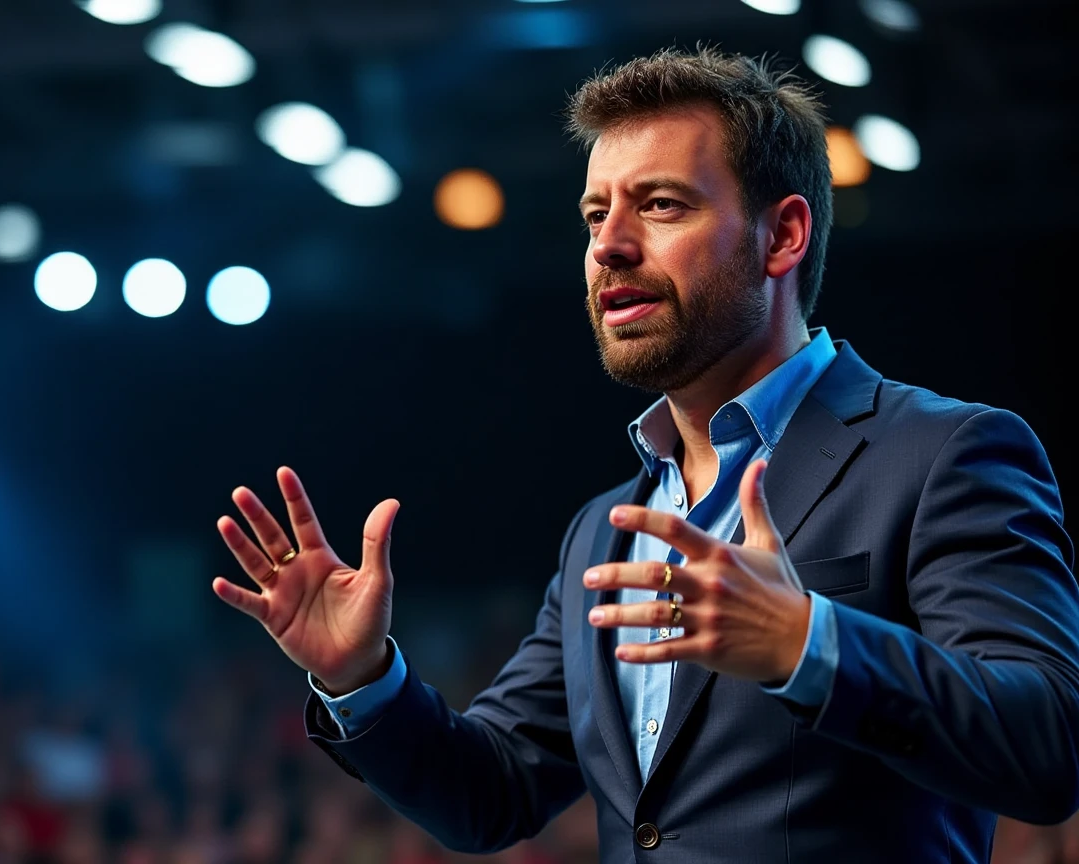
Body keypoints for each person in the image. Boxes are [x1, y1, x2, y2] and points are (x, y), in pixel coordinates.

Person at [208, 47, 1079, 863]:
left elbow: (1049, 744)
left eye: (660, 205)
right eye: (596, 213)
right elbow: (493, 792)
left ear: (781, 237)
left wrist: (808, 645)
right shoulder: (602, 533)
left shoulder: (943, 454)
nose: (608, 244)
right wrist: (364, 681)